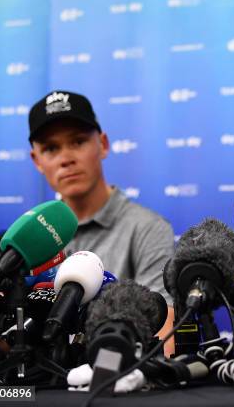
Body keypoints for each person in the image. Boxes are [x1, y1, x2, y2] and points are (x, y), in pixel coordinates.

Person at [28, 90, 176, 354]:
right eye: (51, 148)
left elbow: (164, 336)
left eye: (78, 142)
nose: (66, 158)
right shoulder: (29, 236)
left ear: (103, 144)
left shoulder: (149, 228)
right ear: (37, 161)